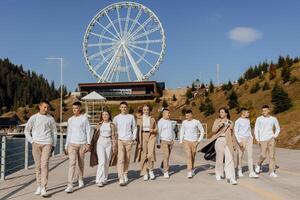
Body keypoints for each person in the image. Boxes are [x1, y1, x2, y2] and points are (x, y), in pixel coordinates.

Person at [24, 100, 57, 197]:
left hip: (47, 143)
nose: (46, 109)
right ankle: (38, 185)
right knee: (38, 166)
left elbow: (54, 132)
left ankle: (44, 187)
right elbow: (26, 131)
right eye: (44, 107)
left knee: (44, 165)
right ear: (40, 106)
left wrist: (53, 145)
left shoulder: (50, 119)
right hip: (36, 144)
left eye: (47, 107)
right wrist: (32, 141)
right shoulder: (33, 118)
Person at [65, 102, 92, 193]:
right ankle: (70, 185)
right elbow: (69, 133)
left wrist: (88, 143)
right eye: (73, 108)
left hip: (82, 143)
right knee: (72, 163)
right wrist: (66, 145)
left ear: (80, 108)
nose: (74, 110)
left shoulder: (84, 119)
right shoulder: (70, 119)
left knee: (81, 163)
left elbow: (88, 131)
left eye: (76, 108)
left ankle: (80, 178)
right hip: (72, 144)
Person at [90, 111, 118, 187]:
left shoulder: (112, 124)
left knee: (107, 161)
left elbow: (114, 136)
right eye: (103, 115)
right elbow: (94, 135)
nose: (105, 116)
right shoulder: (99, 124)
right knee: (102, 161)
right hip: (100, 142)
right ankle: (99, 180)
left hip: (109, 142)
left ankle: (105, 178)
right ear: (101, 116)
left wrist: (114, 146)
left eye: (106, 114)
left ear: (109, 116)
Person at [113, 101, 137, 186]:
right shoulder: (116, 118)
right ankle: (121, 178)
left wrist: (133, 138)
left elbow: (134, 128)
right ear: (120, 108)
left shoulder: (131, 117)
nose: (123, 108)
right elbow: (114, 129)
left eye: (125, 107)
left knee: (127, 158)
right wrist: (115, 139)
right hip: (120, 140)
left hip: (129, 140)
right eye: (122, 107)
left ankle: (125, 173)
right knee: (121, 159)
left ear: (127, 108)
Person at [213, 107, 238, 185]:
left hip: (229, 141)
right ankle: (218, 173)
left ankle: (231, 177)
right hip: (220, 140)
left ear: (226, 113)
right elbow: (213, 130)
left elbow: (232, 134)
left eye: (222, 112)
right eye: (220, 112)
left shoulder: (231, 122)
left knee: (230, 158)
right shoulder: (217, 121)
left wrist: (234, 144)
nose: (221, 114)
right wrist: (220, 124)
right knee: (219, 158)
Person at [254, 105, 280, 178]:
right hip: (262, 139)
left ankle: (271, 171)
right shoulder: (259, 119)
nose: (263, 112)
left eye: (265, 110)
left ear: (269, 110)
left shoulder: (273, 119)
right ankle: (258, 164)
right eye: (262, 111)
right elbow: (256, 129)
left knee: (272, 156)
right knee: (263, 155)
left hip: (271, 139)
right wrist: (257, 139)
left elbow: (277, 128)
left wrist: (274, 136)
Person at [134, 104, 158, 181]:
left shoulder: (152, 119)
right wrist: (137, 141)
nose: (146, 111)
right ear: (142, 110)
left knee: (150, 154)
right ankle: (145, 172)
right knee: (143, 155)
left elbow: (157, 129)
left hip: (151, 136)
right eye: (144, 110)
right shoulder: (139, 119)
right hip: (142, 135)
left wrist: (153, 130)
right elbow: (137, 130)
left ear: (149, 110)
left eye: (147, 110)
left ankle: (150, 170)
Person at [179, 109, 205, 178]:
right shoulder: (184, 122)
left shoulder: (196, 122)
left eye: (188, 115)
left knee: (193, 156)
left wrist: (198, 141)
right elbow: (182, 131)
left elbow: (202, 131)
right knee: (188, 156)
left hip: (194, 142)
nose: (186, 117)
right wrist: (181, 141)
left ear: (191, 115)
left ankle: (192, 168)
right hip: (186, 141)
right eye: (186, 115)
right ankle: (189, 171)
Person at [234, 108, 259, 178]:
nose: (249, 114)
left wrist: (251, 136)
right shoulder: (238, 121)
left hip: (249, 139)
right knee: (240, 156)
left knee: (250, 156)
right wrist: (239, 141)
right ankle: (239, 170)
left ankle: (251, 172)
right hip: (242, 139)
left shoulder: (248, 120)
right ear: (243, 113)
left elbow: (249, 129)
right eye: (247, 112)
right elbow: (236, 132)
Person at [157, 108, 175, 179]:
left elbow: (171, 131)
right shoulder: (160, 122)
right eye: (168, 113)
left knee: (167, 156)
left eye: (169, 113)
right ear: (164, 114)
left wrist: (173, 139)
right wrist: (158, 142)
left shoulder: (169, 121)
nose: (169, 114)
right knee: (166, 155)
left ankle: (162, 166)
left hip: (170, 141)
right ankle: (166, 171)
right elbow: (158, 133)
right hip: (163, 141)